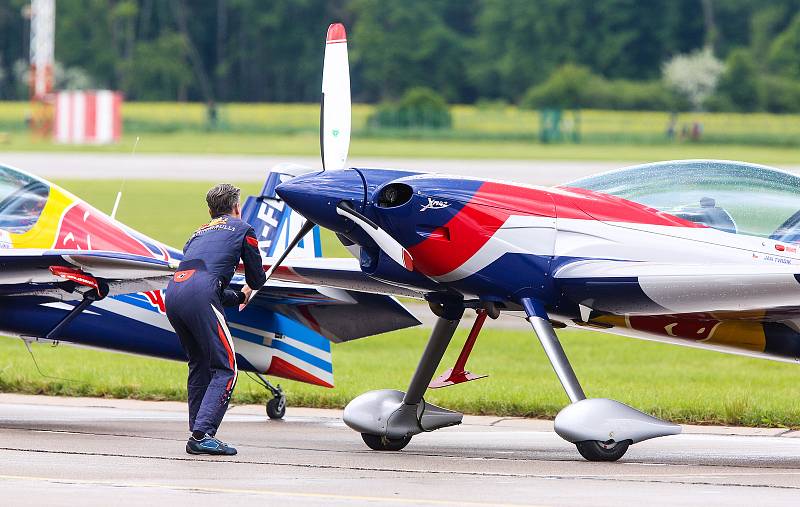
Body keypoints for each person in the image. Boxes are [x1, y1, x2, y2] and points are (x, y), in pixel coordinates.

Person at [165, 183, 266, 456]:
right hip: (200, 295)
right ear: (237, 207)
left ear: (210, 211)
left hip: (173, 294)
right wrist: (248, 290)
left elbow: (209, 283)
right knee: (227, 368)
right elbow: (256, 279)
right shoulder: (244, 229)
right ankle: (202, 434)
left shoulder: (196, 234)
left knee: (199, 363)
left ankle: (197, 431)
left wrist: (238, 297)